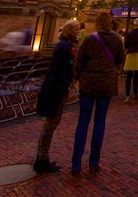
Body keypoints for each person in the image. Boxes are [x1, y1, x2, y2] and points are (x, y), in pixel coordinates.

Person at [70, 11, 124, 176]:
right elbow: (121, 60)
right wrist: (114, 72)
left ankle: (76, 164)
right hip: (106, 85)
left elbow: (78, 61)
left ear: (97, 24)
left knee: (83, 122)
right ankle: (94, 162)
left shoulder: (89, 39)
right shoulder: (117, 39)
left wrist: (76, 78)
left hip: (88, 84)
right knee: (100, 122)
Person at [33, 20, 81, 174]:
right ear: (69, 30)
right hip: (56, 88)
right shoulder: (63, 46)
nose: (78, 31)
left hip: (58, 86)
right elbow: (60, 68)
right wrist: (66, 83)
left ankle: (42, 157)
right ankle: (42, 159)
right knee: (50, 123)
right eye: (76, 29)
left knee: (51, 124)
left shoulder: (66, 45)